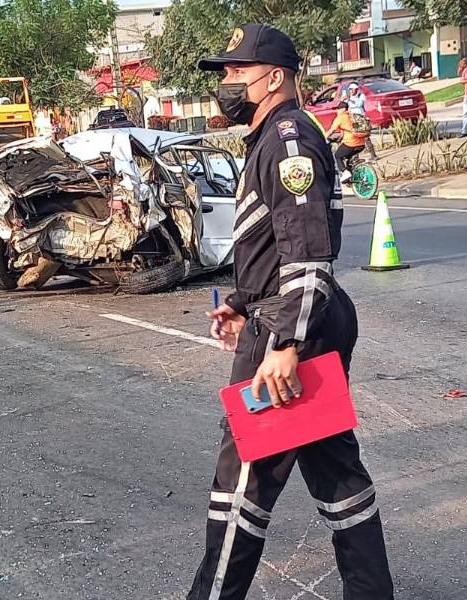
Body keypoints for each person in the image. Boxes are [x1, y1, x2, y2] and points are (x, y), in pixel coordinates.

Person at [191, 24, 395, 600]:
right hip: (291, 318)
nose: (228, 83)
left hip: (291, 330)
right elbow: (274, 243)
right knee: (337, 477)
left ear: (274, 77)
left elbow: (307, 249)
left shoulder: (287, 141)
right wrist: (240, 302)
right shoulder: (271, 139)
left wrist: (285, 342)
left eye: (238, 71)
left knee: (242, 485)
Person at [325, 102, 369, 183]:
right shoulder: (352, 116)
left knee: (338, 155)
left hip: (351, 144)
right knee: (348, 159)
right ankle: (351, 175)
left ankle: (345, 172)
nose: (337, 111)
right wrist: (339, 139)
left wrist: (323, 138)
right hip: (362, 144)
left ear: (343, 109)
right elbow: (344, 132)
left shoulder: (340, 118)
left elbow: (331, 130)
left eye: (338, 109)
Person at [342, 82, 377, 159]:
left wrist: (349, 99)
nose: (351, 91)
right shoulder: (348, 97)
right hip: (353, 119)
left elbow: (358, 104)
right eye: (350, 89)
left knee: (365, 136)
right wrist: (344, 99)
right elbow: (344, 106)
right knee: (355, 137)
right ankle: (356, 156)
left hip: (361, 118)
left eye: (353, 89)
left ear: (357, 89)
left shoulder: (361, 96)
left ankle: (373, 154)